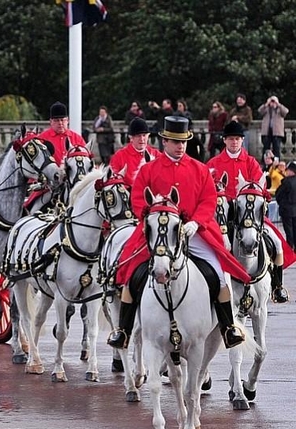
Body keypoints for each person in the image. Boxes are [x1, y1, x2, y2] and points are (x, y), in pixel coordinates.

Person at [107, 116, 251, 350]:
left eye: (183, 141)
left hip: (195, 232)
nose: (180, 146)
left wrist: (196, 222)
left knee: (219, 273)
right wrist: (151, 219)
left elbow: (209, 200)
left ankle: (228, 327)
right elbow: (136, 200)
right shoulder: (148, 169)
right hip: (158, 234)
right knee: (130, 271)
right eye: (175, 141)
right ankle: (123, 330)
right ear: (164, 142)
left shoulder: (200, 169)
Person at [207, 120, 293, 303]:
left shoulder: (251, 163)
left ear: (242, 140)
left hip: (249, 216)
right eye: (230, 139)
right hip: (222, 216)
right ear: (224, 141)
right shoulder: (213, 163)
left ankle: (277, 286)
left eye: (237, 139)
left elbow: (261, 190)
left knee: (277, 242)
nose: (234, 142)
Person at [108, 117, 161, 187]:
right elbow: (112, 181)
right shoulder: (119, 156)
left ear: (148, 136)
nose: (142, 139)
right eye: (138, 136)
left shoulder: (157, 155)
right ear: (131, 138)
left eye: (144, 135)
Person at [258, 96, 289, 161]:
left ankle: (276, 164)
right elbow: (260, 111)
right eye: (271, 101)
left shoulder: (280, 109)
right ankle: (264, 163)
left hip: (277, 132)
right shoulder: (266, 108)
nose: (272, 103)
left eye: (273, 101)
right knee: (266, 149)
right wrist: (266, 104)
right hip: (267, 131)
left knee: (276, 149)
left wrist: (278, 104)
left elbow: (286, 112)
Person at [276, 162, 296, 251]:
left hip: (287, 209)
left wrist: (282, 204)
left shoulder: (287, 182)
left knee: (289, 231)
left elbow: (278, 194)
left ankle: (289, 248)